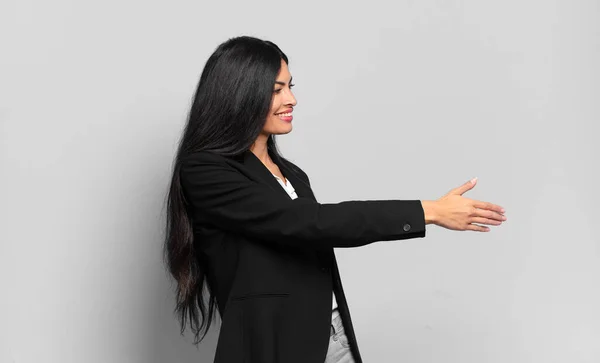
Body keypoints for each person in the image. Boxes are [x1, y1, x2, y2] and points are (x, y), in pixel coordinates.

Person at [163, 35, 506, 363]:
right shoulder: (206, 171)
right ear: (241, 95)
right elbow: (308, 224)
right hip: (276, 348)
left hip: (332, 335)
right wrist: (427, 211)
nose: (291, 100)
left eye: (290, 87)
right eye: (276, 90)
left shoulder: (292, 174)